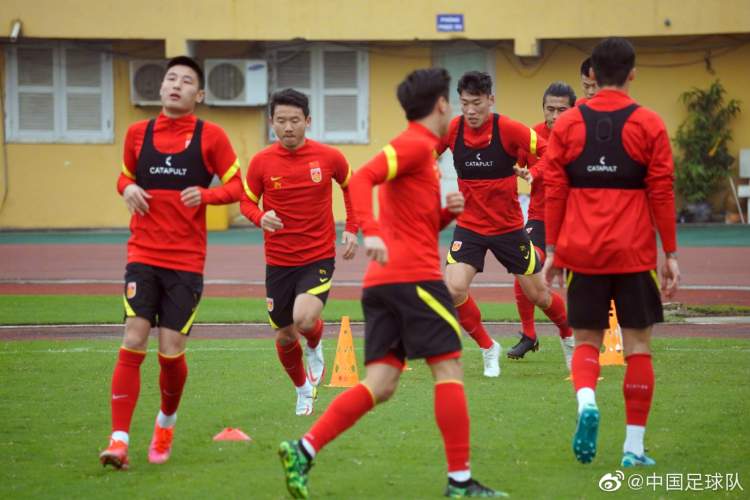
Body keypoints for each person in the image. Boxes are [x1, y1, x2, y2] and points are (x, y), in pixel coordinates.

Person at [278, 68, 506, 499]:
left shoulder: (422, 153)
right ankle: (460, 483)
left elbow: (414, 221)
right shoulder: (415, 145)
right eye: (452, 102)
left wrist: (446, 214)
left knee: (380, 384)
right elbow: (363, 176)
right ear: (442, 104)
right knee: (449, 368)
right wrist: (371, 231)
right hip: (414, 279)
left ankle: (302, 450)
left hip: (384, 284)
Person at [100, 56, 244, 469]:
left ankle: (166, 422)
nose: (176, 85)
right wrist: (127, 188)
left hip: (186, 261)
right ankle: (119, 441)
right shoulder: (137, 133)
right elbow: (124, 177)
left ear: (199, 94)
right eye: (171, 79)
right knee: (133, 336)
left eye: (186, 81)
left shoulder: (211, 136)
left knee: (171, 350)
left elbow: (238, 186)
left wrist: (207, 195)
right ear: (161, 88)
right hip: (142, 254)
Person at [541, 37, 680, 467]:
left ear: (592, 75)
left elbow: (554, 190)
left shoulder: (567, 125)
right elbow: (662, 191)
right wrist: (671, 253)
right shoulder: (649, 123)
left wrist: (552, 250)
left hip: (581, 251)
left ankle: (587, 402)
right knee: (638, 346)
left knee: (586, 340)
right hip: (634, 253)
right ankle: (633, 448)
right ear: (633, 73)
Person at [437, 71, 572, 368]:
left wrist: (533, 173)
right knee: (453, 288)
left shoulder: (509, 128)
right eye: (464, 103)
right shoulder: (452, 129)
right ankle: (488, 347)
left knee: (538, 295)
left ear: (491, 100)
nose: (470, 111)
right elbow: (423, 153)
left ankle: (568, 334)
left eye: (477, 103)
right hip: (469, 227)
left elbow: (550, 151)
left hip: (508, 229)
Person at [240, 88, 358, 416]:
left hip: (317, 256)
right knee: (284, 335)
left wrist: (352, 226)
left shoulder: (329, 157)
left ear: (308, 121)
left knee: (304, 319)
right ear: (271, 123)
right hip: (278, 261)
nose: (288, 127)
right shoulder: (261, 162)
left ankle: (315, 343)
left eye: (295, 120)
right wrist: (260, 217)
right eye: (281, 120)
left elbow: (351, 185)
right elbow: (246, 201)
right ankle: (303, 390)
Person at [515, 82, 577, 370]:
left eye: (562, 110)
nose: (555, 116)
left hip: (577, 218)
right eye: (550, 109)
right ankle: (529, 334)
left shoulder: (583, 137)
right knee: (523, 265)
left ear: (573, 110)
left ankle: (592, 333)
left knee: (588, 281)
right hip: (540, 217)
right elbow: (511, 164)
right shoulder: (531, 136)